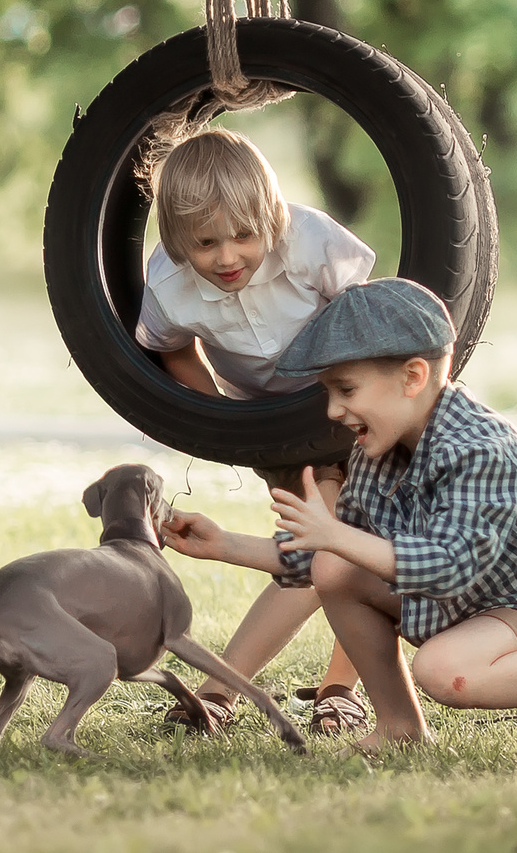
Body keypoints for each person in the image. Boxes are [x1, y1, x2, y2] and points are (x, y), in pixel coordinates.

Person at [160, 278, 517, 759]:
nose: (333, 409)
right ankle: (398, 726)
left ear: (412, 377)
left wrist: (336, 535)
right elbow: (328, 559)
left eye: (346, 389)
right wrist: (223, 544)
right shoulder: (378, 451)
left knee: (442, 668)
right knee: (333, 567)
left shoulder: (481, 451)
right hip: (485, 607)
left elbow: (449, 565)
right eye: (327, 391)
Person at [133, 126, 374, 734]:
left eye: (244, 235)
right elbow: (174, 350)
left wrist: (362, 398)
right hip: (274, 425)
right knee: (321, 554)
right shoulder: (168, 284)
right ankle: (252, 691)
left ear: (272, 217)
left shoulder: (311, 240)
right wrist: (221, 419)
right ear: (176, 238)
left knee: (339, 541)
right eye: (206, 242)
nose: (227, 257)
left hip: (352, 407)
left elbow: (363, 315)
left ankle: (305, 689)